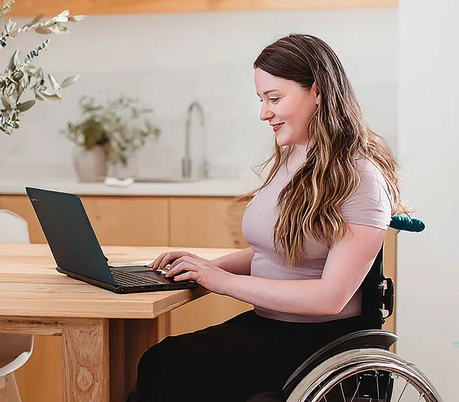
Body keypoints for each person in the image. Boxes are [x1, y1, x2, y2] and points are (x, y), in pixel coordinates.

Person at [127, 34, 409, 402]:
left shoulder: (360, 177)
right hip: (270, 328)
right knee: (161, 361)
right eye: (262, 100)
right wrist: (199, 267)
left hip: (320, 344)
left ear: (319, 92)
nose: (264, 113)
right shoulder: (294, 156)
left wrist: (220, 280)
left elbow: (330, 297)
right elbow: (274, 250)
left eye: (275, 99)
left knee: (170, 369)